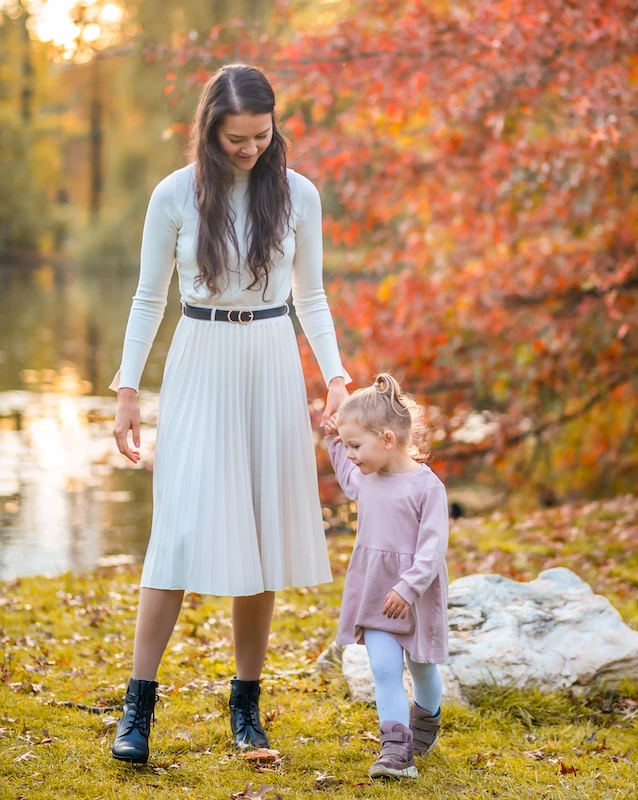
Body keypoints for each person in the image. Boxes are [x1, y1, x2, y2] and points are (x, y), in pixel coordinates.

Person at [109, 63, 350, 764]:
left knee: (262, 533)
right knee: (177, 531)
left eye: (261, 136)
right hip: (200, 356)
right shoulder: (174, 194)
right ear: (210, 130)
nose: (249, 149)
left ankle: (246, 707)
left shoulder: (299, 194)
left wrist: (335, 377)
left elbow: (312, 296)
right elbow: (148, 297)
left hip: (271, 358)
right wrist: (127, 390)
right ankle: (138, 707)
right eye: (236, 138)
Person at [324, 374, 449, 780]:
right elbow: (346, 475)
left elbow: (433, 548)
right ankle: (396, 750)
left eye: (356, 446)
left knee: (421, 668)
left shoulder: (427, 488)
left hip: (416, 594)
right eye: (348, 447)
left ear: (388, 439)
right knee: (383, 668)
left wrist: (408, 587)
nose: (351, 456)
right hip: (376, 589)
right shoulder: (365, 478)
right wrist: (334, 438)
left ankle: (426, 721)